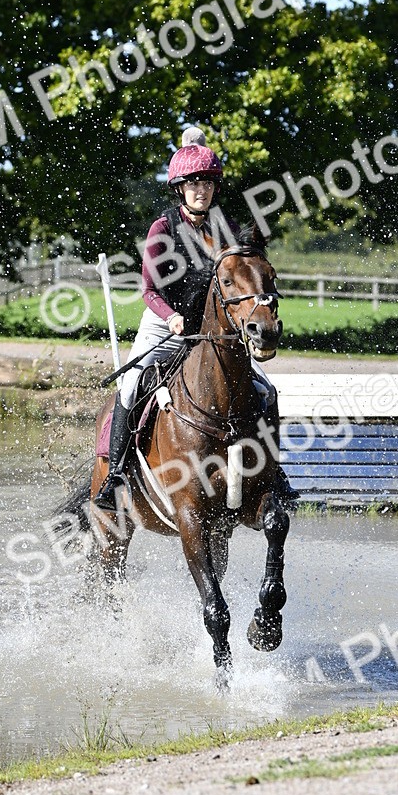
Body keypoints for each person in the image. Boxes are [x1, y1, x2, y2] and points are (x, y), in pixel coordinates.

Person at [93, 127, 298, 509]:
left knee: (265, 391)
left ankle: (273, 472)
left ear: (214, 188)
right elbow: (149, 290)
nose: (200, 190)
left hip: (214, 332)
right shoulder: (163, 229)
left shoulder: (227, 229)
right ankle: (116, 478)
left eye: (206, 183)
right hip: (165, 323)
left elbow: (243, 275)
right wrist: (171, 318)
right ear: (179, 189)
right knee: (130, 387)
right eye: (192, 184)